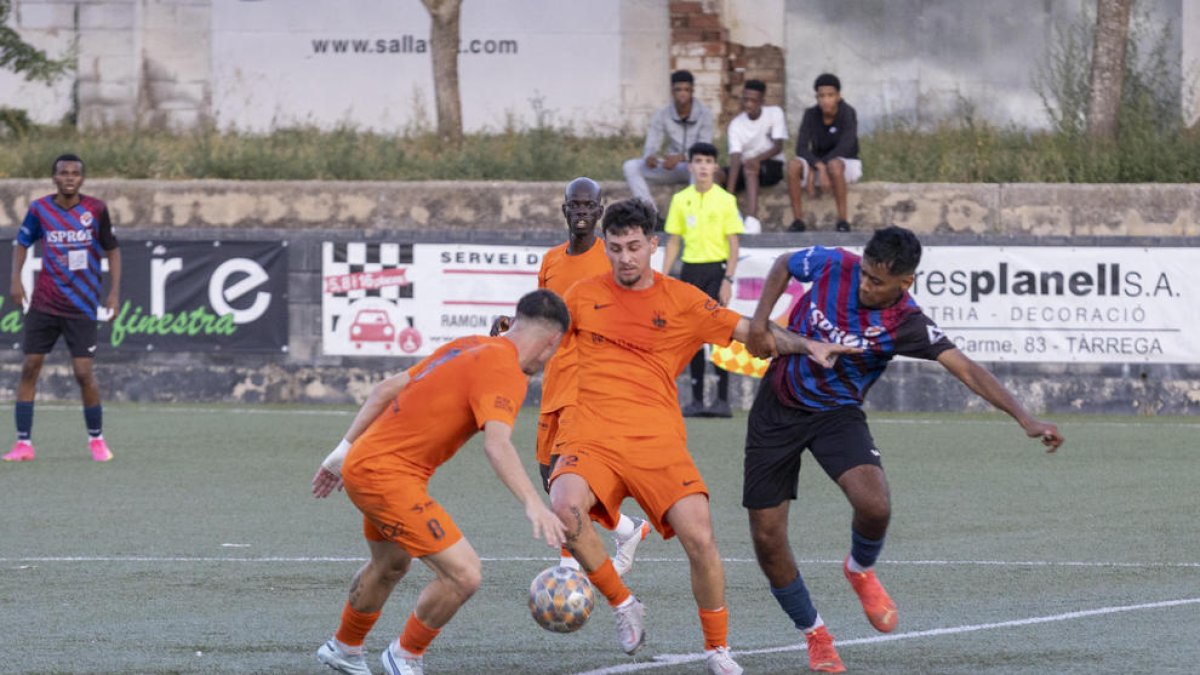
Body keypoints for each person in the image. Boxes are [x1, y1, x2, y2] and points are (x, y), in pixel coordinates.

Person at [548, 199, 858, 675]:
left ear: (654, 245)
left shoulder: (684, 300)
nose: (625, 257)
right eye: (615, 248)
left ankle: (717, 649)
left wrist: (806, 343)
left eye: (634, 246)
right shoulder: (582, 294)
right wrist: (507, 336)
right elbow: (541, 333)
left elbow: (748, 332)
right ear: (606, 248)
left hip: (657, 441)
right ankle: (623, 603)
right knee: (565, 509)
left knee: (700, 536)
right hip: (591, 434)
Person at [742, 226, 1065, 672]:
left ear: (904, 283)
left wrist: (1025, 418)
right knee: (767, 537)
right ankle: (816, 635)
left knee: (875, 505)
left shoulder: (906, 323)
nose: (865, 285)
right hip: (776, 407)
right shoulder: (835, 263)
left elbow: (965, 368)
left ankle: (858, 569)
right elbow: (783, 265)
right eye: (866, 274)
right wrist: (759, 324)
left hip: (836, 414)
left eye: (877, 281)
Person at [311, 289, 570, 675]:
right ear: (552, 342)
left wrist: (342, 452)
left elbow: (387, 388)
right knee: (464, 574)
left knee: (390, 565)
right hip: (386, 476)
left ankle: (344, 648)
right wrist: (535, 503)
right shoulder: (507, 371)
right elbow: (497, 446)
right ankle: (405, 656)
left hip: (368, 464)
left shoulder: (468, 344)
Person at [530, 177, 652, 573]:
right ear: (565, 210)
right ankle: (625, 527)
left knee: (568, 480)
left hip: (590, 386)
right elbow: (544, 315)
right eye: (575, 205)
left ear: (600, 212)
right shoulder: (551, 261)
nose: (582, 212)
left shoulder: (611, 260)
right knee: (550, 476)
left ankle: (569, 570)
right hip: (555, 381)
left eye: (589, 206)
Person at [4, 154, 121, 463]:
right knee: (30, 367)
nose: (69, 177)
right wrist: (16, 280)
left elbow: (112, 249)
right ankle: (23, 444)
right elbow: (22, 243)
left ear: (82, 179)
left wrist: (114, 293)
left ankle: (96, 440)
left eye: (75, 173)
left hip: (82, 304)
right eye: (63, 173)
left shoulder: (95, 210)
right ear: (54, 178)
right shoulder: (40, 209)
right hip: (44, 303)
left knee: (83, 372)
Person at [660, 142, 744, 418]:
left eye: (708, 161)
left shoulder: (726, 200)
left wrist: (728, 279)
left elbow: (734, 244)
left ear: (715, 166)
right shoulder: (681, 199)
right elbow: (674, 241)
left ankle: (721, 400)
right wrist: (663, 276)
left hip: (716, 271)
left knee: (720, 332)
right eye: (698, 161)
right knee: (692, 334)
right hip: (691, 271)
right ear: (691, 166)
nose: (703, 167)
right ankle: (696, 398)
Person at [623, 70, 715, 218]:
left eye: (686, 89)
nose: (682, 94)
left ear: (692, 91)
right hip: (670, 166)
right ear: (672, 91)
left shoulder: (705, 114)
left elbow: (704, 150)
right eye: (678, 90)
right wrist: (650, 156)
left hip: (693, 167)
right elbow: (652, 141)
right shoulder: (663, 114)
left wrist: (681, 157)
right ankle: (651, 213)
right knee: (630, 166)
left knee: (698, 167)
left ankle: (692, 215)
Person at [786, 73, 862, 233]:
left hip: (846, 164)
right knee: (793, 166)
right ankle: (798, 221)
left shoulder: (848, 113)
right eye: (821, 96)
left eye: (830, 95)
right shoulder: (811, 114)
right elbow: (801, 148)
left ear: (838, 96)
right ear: (817, 97)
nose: (826, 100)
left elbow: (846, 147)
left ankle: (842, 221)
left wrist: (821, 166)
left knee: (834, 165)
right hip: (818, 162)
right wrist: (818, 166)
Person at [723, 79, 787, 234]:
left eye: (753, 100)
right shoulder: (736, 124)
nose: (748, 104)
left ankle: (752, 220)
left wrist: (756, 160)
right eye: (745, 99)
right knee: (717, 173)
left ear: (762, 101)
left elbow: (778, 147)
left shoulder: (775, 113)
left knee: (750, 167)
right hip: (746, 166)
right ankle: (728, 214)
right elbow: (735, 159)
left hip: (771, 165)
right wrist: (729, 197)